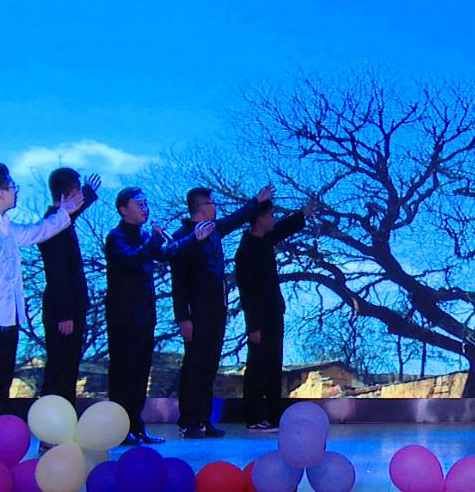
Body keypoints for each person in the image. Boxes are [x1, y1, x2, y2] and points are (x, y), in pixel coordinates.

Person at [0, 164, 81, 459]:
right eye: (12, 187)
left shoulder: (6, 227)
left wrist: (64, 212)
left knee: (0, 383)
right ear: (0, 192)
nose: (16, 192)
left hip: (7, 319)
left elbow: (37, 231)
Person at [105, 187, 209, 445]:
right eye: (139, 204)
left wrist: (193, 238)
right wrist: (153, 240)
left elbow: (167, 252)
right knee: (124, 374)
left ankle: (137, 426)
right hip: (123, 318)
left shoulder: (144, 236)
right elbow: (131, 260)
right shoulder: (116, 237)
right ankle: (118, 429)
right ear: (123, 209)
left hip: (144, 316)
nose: (145, 209)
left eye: (145, 203)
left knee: (141, 373)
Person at [170, 184, 274, 439]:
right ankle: (188, 420)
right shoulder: (183, 237)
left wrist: (257, 201)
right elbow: (178, 282)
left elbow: (236, 219)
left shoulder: (214, 231)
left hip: (217, 309)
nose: (215, 207)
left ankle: (204, 419)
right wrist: (183, 317)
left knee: (209, 365)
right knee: (194, 365)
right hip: (196, 312)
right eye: (211, 203)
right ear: (200, 207)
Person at [234, 198, 317, 432]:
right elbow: (247, 291)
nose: (273, 219)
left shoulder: (265, 241)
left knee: (273, 365)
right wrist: (253, 326)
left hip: (273, 313)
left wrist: (302, 213)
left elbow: (282, 229)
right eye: (270, 215)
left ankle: (272, 414)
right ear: (260, 218)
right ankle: (254, 416)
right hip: (259, 318)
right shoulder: (247, 250)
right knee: (258, 366)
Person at [37, 168, 101, 405]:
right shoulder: (52, 226)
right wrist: (64, 314)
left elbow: (71, 214)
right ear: (68, 194)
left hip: (71, 308)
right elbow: (57, 274)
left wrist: (89, 192)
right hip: (62, 312)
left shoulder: (60, 221)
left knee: (68, 367)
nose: (81, 196)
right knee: (60, 369)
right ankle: (51, 420)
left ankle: (63, 418)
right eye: (78, 191)